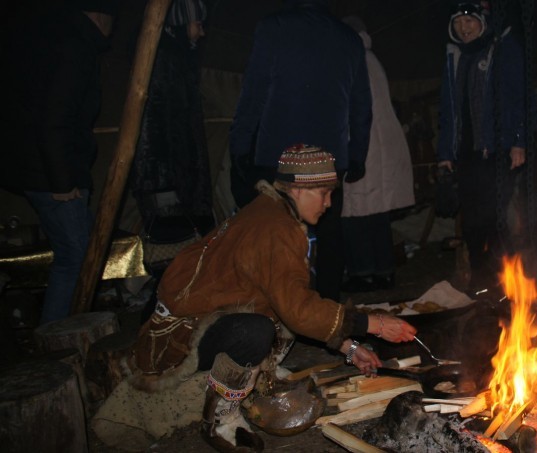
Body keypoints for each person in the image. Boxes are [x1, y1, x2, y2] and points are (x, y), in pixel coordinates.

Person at [128, 145, 417, 451]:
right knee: (257, 331)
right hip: (181, 337)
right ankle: (220, 418)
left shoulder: (272, 210)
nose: (328, 203)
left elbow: (285, 296)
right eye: (323, 193)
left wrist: (349, 346)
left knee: (288, 307)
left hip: (208, 317)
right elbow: (298, 311)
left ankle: (258, 372)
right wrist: (374, 324)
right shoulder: (275, 228)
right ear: (297, 189)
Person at [228, 0, 373, 303]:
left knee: (274, 232)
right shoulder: (349, 38)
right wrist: (357, 154)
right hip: (329, 157)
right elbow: (361, 105)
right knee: (329, 232)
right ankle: (328, 308)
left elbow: (253, 92)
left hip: (279, 156)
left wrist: (240, 148)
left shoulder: (274, 27)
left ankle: (276, 308)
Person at [0, 0, 118, 324]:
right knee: (75, 258)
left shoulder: (59, 38)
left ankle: (70, 332)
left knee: (81, 251)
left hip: (45, 169)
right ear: (100, 16)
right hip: (50, 175)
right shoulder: (71, 48)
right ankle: (57, 340)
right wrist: (62, 181)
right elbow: (54, 118)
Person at [436, 1, 528, 289]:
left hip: (497, 150)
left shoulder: (502, 48)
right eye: (458, 23)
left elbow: (520, 97)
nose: (463, 28)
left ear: (482, 21)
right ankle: (480, 282)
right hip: (466, 153)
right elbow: (448, 109)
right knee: (472, 221)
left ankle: (507, 281)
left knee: (494, 218)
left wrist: (519, 142)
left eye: (469, 21)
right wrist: (445, 153)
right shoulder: (454, 56)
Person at [340, 16, 415, 292]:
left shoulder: (356, 61)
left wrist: (353, 152)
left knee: (358, 213)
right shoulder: (368, 58)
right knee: (373, 214)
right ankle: (381, 272)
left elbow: (358, 110)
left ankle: (366, 274)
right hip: (374, 146)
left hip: (366, 146)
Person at [131, 0, 214, 241]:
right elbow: (152, 130)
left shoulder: (180, 60)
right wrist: (162, 189)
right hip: (167, 184)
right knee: (174, 244)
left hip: (182, 180)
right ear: (181, 23)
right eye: (197, 24)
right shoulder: (161, 60)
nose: (201, 32)